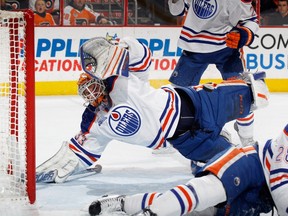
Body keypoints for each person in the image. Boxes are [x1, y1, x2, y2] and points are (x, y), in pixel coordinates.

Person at [35, 36, 269, 184]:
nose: (92, 94)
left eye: (93, 87)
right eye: (86, 93)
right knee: (239, 168)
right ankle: (218, 142)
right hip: (186, 140)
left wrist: (122, 45)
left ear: (100, 80)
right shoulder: (93, 124)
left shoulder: (120, 80)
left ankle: (245, 139)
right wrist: (51, 172)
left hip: (197, 103)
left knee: (256, 92)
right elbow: (83, 154)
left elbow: (143, 56)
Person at [88, 123, 288, 216]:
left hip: (262, 199)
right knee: (205, 191)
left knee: (197, 213)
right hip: (254, 164)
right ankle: (138, 210)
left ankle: (126, 203)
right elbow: (280, 175)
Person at [167, 0, 260, 147]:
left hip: (226, 49)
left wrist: (244, 33)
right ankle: (172, 134)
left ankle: (246, 137)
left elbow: (250, 20)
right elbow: (177, 10)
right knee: (178, 95)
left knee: (242, 92)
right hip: (194, 46)